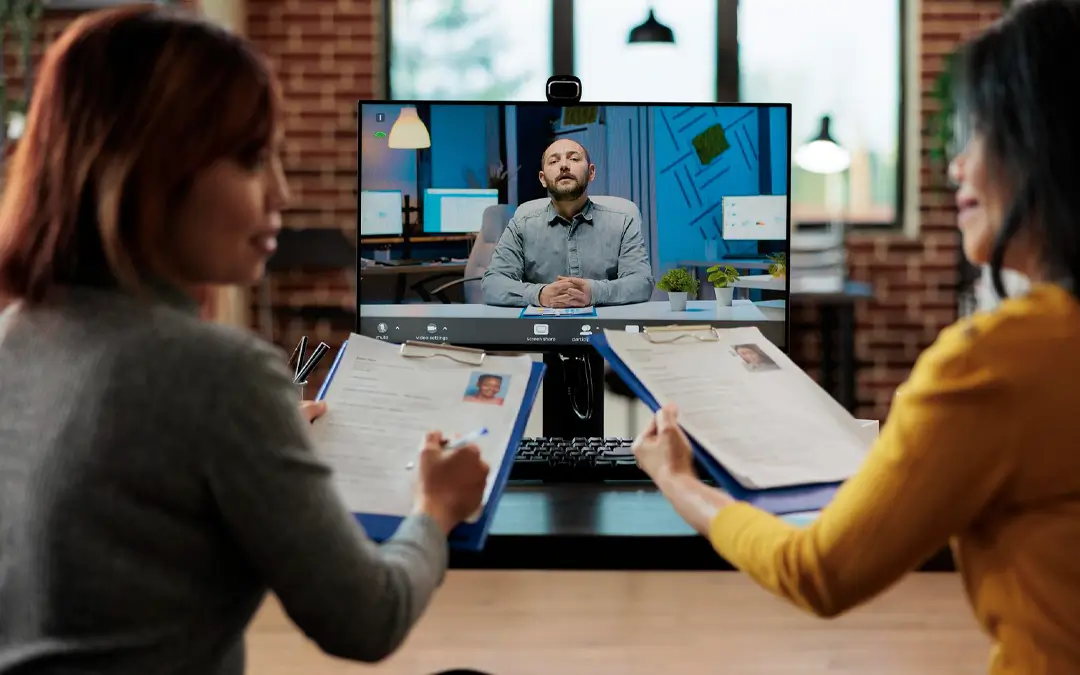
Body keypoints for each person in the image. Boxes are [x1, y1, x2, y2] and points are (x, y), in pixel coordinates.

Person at [0, 7, 489, 674]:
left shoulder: (17, 334)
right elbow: (368, 618)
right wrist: (436, 505)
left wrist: (265, 432)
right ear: (149, 168)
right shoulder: (216, 372)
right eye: (251, 159)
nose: (281, 193)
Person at [631, 1, 1080, 671]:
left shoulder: (998, 361)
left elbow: (819, 570)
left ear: (1039, 143)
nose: (955, 167)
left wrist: (679, 480)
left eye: (977, 133)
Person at [481, 138, 653, 307]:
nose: (564, 165)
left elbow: (642, 282)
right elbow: (492, 284)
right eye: (554, 161)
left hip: (605, 329)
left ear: (591, 172)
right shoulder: (522, 225)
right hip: (542, 328)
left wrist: (594, 292)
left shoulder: (622, 222)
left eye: (574, 158)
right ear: (542, 178)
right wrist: (539, 295)